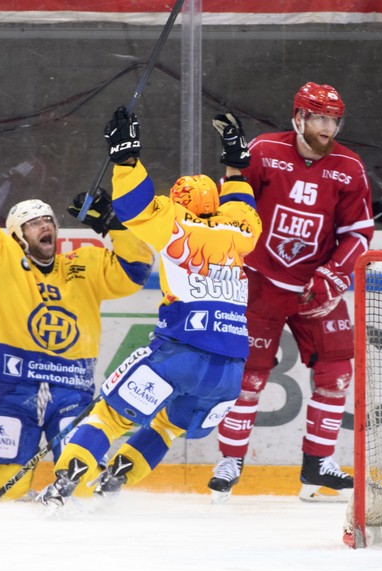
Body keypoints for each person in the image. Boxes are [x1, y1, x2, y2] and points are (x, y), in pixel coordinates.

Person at [35, 107, 262, 506]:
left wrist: (126, 157)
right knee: (165, 429)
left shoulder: (178, 223)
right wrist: (235, 162)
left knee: (110, 415)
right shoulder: (241, 231)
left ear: (180, 203)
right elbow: (243, 201)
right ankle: (116, 480)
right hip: (229, 373)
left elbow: (137, 208)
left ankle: (65, 481)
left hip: (180, 354)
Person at [0, 150, 154, 501]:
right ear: (16, 235)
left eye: (48, 220)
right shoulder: (4, 257)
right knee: (5, 497)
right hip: (16, 389)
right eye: (33, 222)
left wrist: (112, 223)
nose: (45, 225)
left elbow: (135, 271)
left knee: (85, 490)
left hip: (72, 390)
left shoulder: (85, 265)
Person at [207, 81, 374, 503]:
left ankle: (317, 464)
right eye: (319, 117)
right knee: (249, 378)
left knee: (336, 374)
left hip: (315, 288)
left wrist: (335, 275)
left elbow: (358, 232)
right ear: (298, 117)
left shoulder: (349, 168)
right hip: (259, 281)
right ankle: (230, 461)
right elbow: (234, 206)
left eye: (334, 119)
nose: (328, 127)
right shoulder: (265, 151)